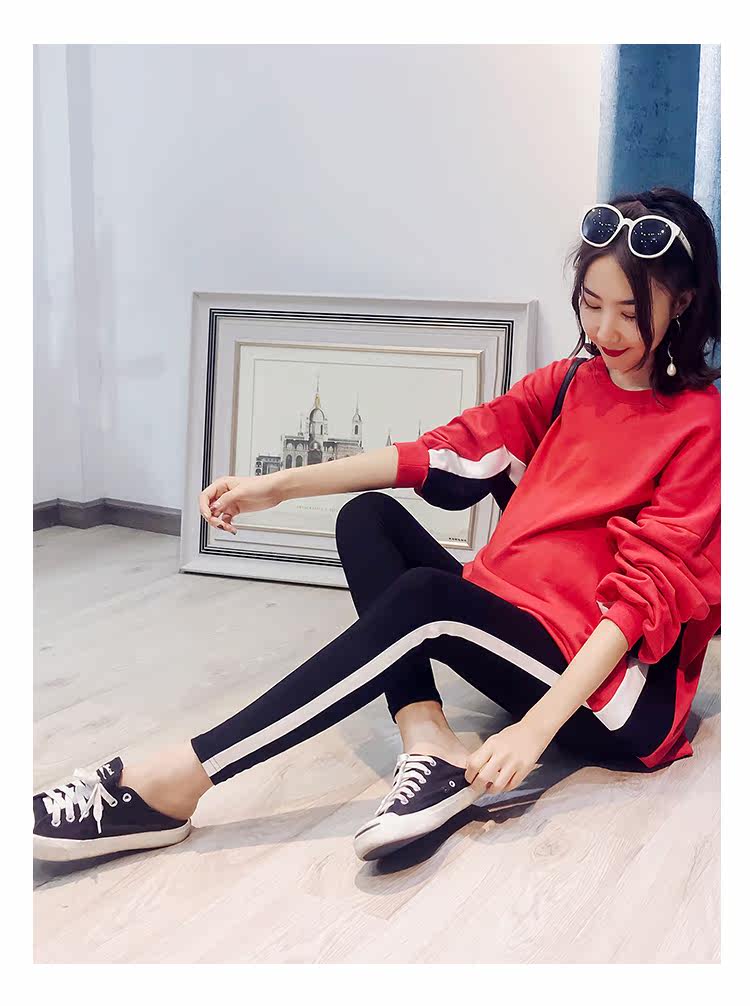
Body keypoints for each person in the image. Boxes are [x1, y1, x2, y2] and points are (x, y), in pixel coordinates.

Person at [33, 186, 721, 865]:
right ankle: (430, 741)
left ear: (683, 303)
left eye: (630, 313)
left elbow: (641, 602)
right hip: (527, 632)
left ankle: (175, 783)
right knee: (367, 518)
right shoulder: (570, 383)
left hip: (613, 699)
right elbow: (439, 452)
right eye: (592, 304)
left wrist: (533, 733)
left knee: (427, 598)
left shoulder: (703, 424)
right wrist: (276, 486)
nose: (604, 331)